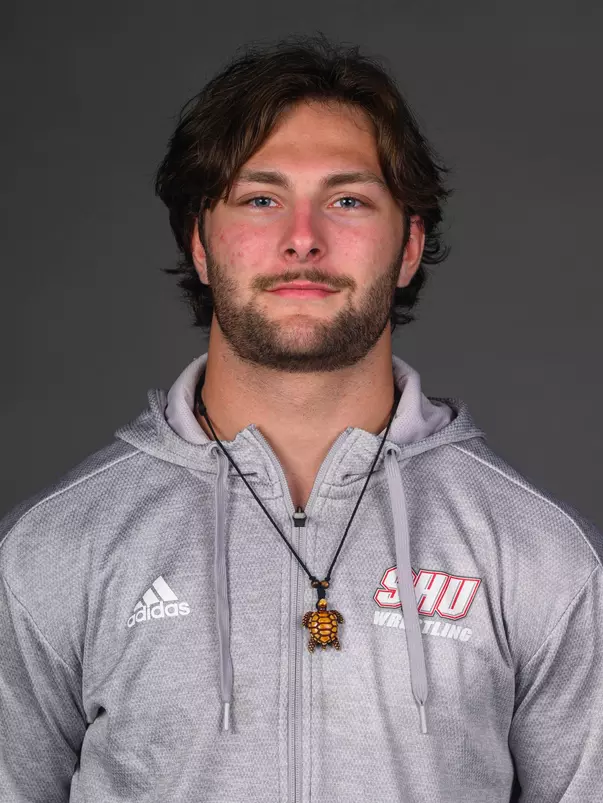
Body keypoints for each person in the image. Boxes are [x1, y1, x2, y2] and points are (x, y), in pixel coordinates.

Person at [1, 33, 602, 803]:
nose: (302, 239)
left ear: (410, 245)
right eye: (261, 198)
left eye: (347, 199)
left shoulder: (541, 556)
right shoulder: (53, 551)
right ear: (202, 244)